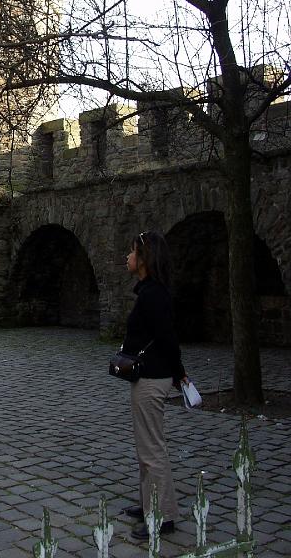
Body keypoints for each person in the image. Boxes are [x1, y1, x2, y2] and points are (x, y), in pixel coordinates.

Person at [121, 230, 187, 540]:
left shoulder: (154, 295)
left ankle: (163, 516)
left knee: (152, 450)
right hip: (146, 376)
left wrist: (179, 373)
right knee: (145, 447)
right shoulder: (148, 291)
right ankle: (149, 503)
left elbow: (167, 338)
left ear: (144, 259)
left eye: (132, 253)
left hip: (152, 378)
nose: (128, 258)